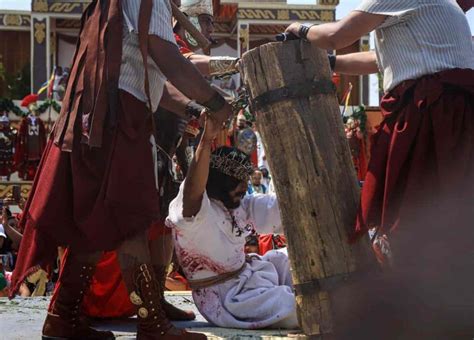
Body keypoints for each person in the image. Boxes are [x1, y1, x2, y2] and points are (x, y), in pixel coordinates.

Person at [10, 0, 233, 339]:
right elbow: (166, 58)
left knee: (98, 219)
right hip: (118, 117)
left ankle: (62, 317)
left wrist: (192, 109)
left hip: (100, 113)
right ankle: (151, 324)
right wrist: (216, 102)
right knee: (130, 221)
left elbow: (150, 76)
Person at [285, 0, 474, 338]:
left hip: (436, 112)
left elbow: (337, 34)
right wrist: (329, 62)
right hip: (447, 112)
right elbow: (379, 60)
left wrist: (298, 29)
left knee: (417, 217)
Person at [82, 0, 240, 323]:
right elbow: (186, 64)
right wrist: (235, 66)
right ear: (188, 19)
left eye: (211, 22)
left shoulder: (166, 33)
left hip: (165, 149)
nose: (209, 29)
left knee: (163, 228)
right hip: (139, 136)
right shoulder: (167, 37)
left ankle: (156, 298)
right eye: (205, 21)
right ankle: (137, 311)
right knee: (132, 223)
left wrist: (197, 114)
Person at [166, 113, 298, 329]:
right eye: (237, 182)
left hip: (250, 276)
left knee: (287, 258)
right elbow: (192, 188)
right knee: (292, 306)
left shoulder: (239, 204)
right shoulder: (196, 212)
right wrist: (206, 140)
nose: (244, 187)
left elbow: (278, 208)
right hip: (228, 298)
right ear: (219, 182)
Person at [15, 94, 47, 181]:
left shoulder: (39, 122)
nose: (35, 109)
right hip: (27, 149)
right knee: (27, 168)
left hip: (37, 148)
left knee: (37, 168)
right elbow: (20, 135)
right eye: (33, 107)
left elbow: (43, 136)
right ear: (29, 108)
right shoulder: (25, 121)